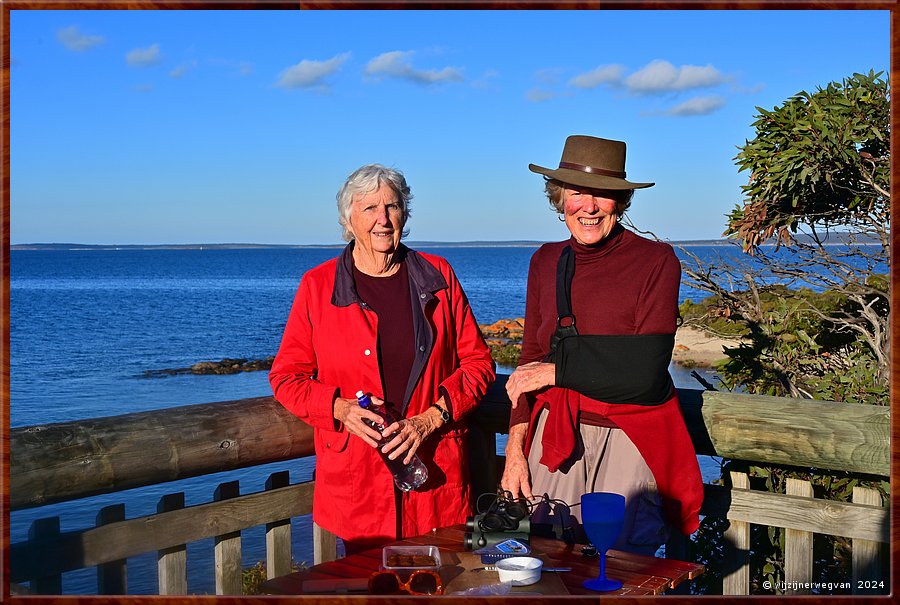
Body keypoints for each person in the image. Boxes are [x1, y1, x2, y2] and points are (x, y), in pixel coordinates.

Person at [270, 164, 495, 554]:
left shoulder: (438, 276)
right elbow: (287, 377)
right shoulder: (317, 286)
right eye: (370, 208)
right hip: (360, 487)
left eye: (392, 206)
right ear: (348, 218)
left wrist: (432, 418)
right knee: (369, 589)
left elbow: (479, 364)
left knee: (438, 587)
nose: (383, 219)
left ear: (404, 214)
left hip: (435, 476)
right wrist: (338, 409)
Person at [500, 135, 704, 555]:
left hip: (630, 438)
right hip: (555, 437)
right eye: (576, 193)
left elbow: (645, 373)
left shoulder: (655, 261)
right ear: (559, 199)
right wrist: (514, 452)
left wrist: (557, 371)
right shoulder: (545, 260)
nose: (588, 206)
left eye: (603, 195)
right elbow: (526, 369)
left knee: (624, 566)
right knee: (549, 559)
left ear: (621, 201)